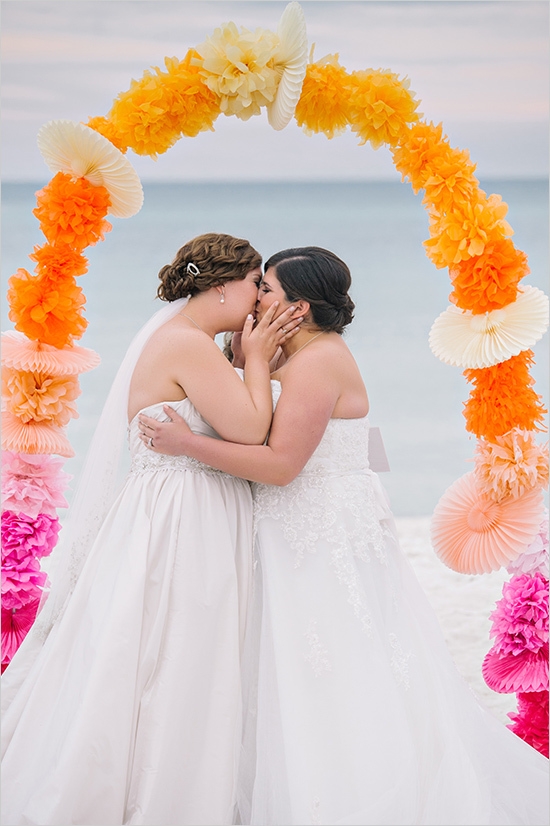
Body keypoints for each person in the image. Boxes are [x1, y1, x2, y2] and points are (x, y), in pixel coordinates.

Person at [138, 246, 549, 826]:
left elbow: (281, 464)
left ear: (299, 306)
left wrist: (187, 446)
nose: (257, 298)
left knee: (332, 658)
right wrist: (250, 351)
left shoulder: (318, 362)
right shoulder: (290, 351)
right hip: (291, 525)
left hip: (319, 526)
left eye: (268, 291)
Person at [1, 232, 302, 826]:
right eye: (253, 286)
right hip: (184, 513)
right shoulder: (187, 344)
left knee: (170, 646)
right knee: (178, 647)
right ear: (222, 287)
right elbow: (247, 429)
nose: (259, 302)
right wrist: (260, 362)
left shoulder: (195, 343)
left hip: (184, 501)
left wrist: (243, 362)